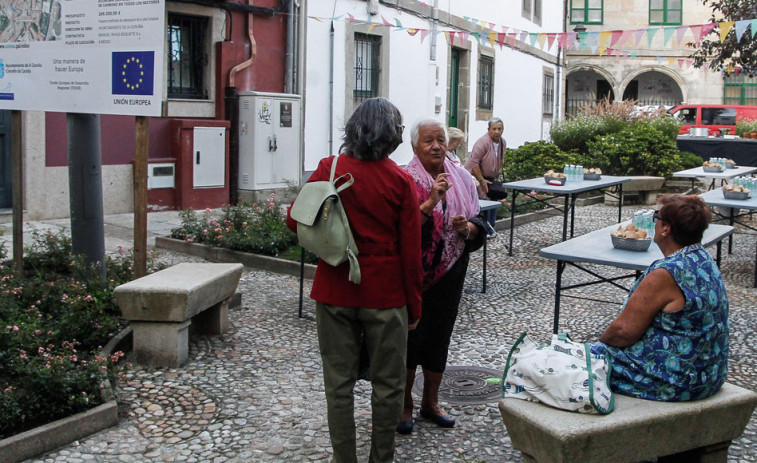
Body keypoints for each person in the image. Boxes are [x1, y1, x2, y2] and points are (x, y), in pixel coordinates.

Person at [287, 97, 423, 463]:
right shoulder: (400, 181)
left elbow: (294, 220)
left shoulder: (328, 168)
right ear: (393, 135)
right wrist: (415, 304)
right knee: (389, 385)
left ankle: (344, 458)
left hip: (334, 289)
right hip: (386, 295)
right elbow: (412, 253)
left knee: (339, 384)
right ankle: (382, 457)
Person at [591, 194, 729, 402]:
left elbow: (623, 332)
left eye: (657, 217)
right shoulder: (703, 258)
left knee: (570, 359)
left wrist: (599, 348)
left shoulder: (667, 272)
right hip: (710, 373)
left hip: (676, 381)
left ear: (666, 229)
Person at [398, 119, 486, 434]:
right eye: (428, 141)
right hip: (413, 276)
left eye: (440, 139)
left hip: (451, 273)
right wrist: (431, 200)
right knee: (411, 339)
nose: (436, 146)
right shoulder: (405, 180)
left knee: (440, 337)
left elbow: (481, 222)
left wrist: (469, 228)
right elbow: (401, 229)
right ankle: (404, 405)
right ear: (414, 146)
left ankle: (431, 403)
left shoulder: (461, 177)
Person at [464, 117, 506, 200]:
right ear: (489, 129)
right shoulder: (482, 142)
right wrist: (481, 180)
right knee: (482, 203)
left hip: (491, 180)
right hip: (477, 179)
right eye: (494, 129)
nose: (497, 132)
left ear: (503, 130)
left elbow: (501, 160)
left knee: (494, 201)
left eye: (499, 129)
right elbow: (474, 163)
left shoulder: (503, 142)